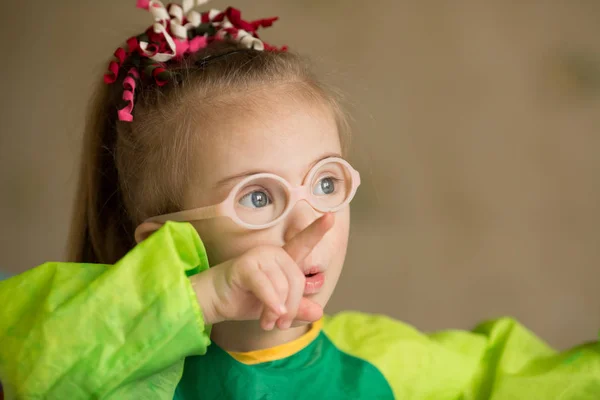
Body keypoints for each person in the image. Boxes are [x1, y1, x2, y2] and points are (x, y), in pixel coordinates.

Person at [0, 1, 598, 399]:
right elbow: (26, 361)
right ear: (168, 243)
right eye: (258, 197)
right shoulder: (127, 373)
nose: (311, 220)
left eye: (327, 183)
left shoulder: (380, 363)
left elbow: (536, 378)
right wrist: (198, 297)